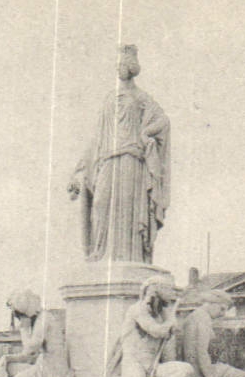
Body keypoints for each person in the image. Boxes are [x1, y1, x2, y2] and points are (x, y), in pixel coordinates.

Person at [67, 44, 170, 264]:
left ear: (131, 67)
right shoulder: (109, 99)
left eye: (122, 64)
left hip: (131, 160)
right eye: (117, 64)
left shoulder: (141, 98)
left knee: (127, 210)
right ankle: (100, 252)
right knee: (100, 204)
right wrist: (78, 170)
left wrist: (146, 132)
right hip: (107, 160)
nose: (118, 68)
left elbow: (163, 121)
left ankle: (130, 256)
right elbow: (97, 138)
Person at [103, 277, 194, 377]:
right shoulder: (137, 309)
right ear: (155, 289)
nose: (172, 293)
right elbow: (157, 331)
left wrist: (170, 324)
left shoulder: (161, 315)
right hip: (134, 363)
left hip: (153, 365)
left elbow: (167, 346)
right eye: (168, 289)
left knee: (185, 370)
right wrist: (171, 320)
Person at [174, 290, 245, 377]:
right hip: (198, 371)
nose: (223, 314)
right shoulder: (203, 318)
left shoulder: (194, 316)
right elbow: (201, 352)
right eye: (222, 309)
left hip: (193, 368)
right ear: (211, 303)